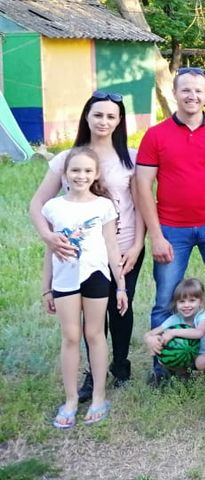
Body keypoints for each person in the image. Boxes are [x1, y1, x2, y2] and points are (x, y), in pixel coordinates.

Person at [30, 90, 142, 398]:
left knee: (121, 306)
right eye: (98, 115)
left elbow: (142, 206)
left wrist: (137, 245)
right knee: (93, 313)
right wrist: (48, 236)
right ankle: (94, 373)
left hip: (123, 245)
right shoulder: (67, 159)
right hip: (83, 252)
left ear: (119, 121)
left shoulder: (131, 158)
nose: (103, 121)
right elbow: (37, 204)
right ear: (87, 117)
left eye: (111, 116)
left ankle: (121, 364)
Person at [136, 67, 205, 384]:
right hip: (172, 230)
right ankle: (164, 367)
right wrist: (156, 236)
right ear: (175, 93)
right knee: (165, 298)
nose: (192, 96)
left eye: (198, 90)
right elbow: (143, 187)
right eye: (185, 90)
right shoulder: (156, 135)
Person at [40, 147, 127, 428]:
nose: (81, 176)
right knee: (70, 336)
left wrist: (121, 286)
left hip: (96, 276)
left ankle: (99, 396)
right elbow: (49, 250)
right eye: (75, 170)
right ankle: (71, 399)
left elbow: (112, 247)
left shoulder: (103, 206)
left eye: (88, 170)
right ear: (65, 174)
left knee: (95, 334)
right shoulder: (53, 207)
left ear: (96, 174)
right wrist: (46, 288)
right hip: (65, 279)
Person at [143, 278, 205, 374]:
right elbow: (149, 334)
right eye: (182, 301)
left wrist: (173, 332)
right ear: (176, 303)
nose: (186, 305)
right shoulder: (175, 318)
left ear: (200, 302)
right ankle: (185, 375)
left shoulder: (202, 315)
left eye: (192, 300)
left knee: (201, 362)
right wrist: (150, 339)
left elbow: (199, 333)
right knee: (162, 359)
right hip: (187, 355)